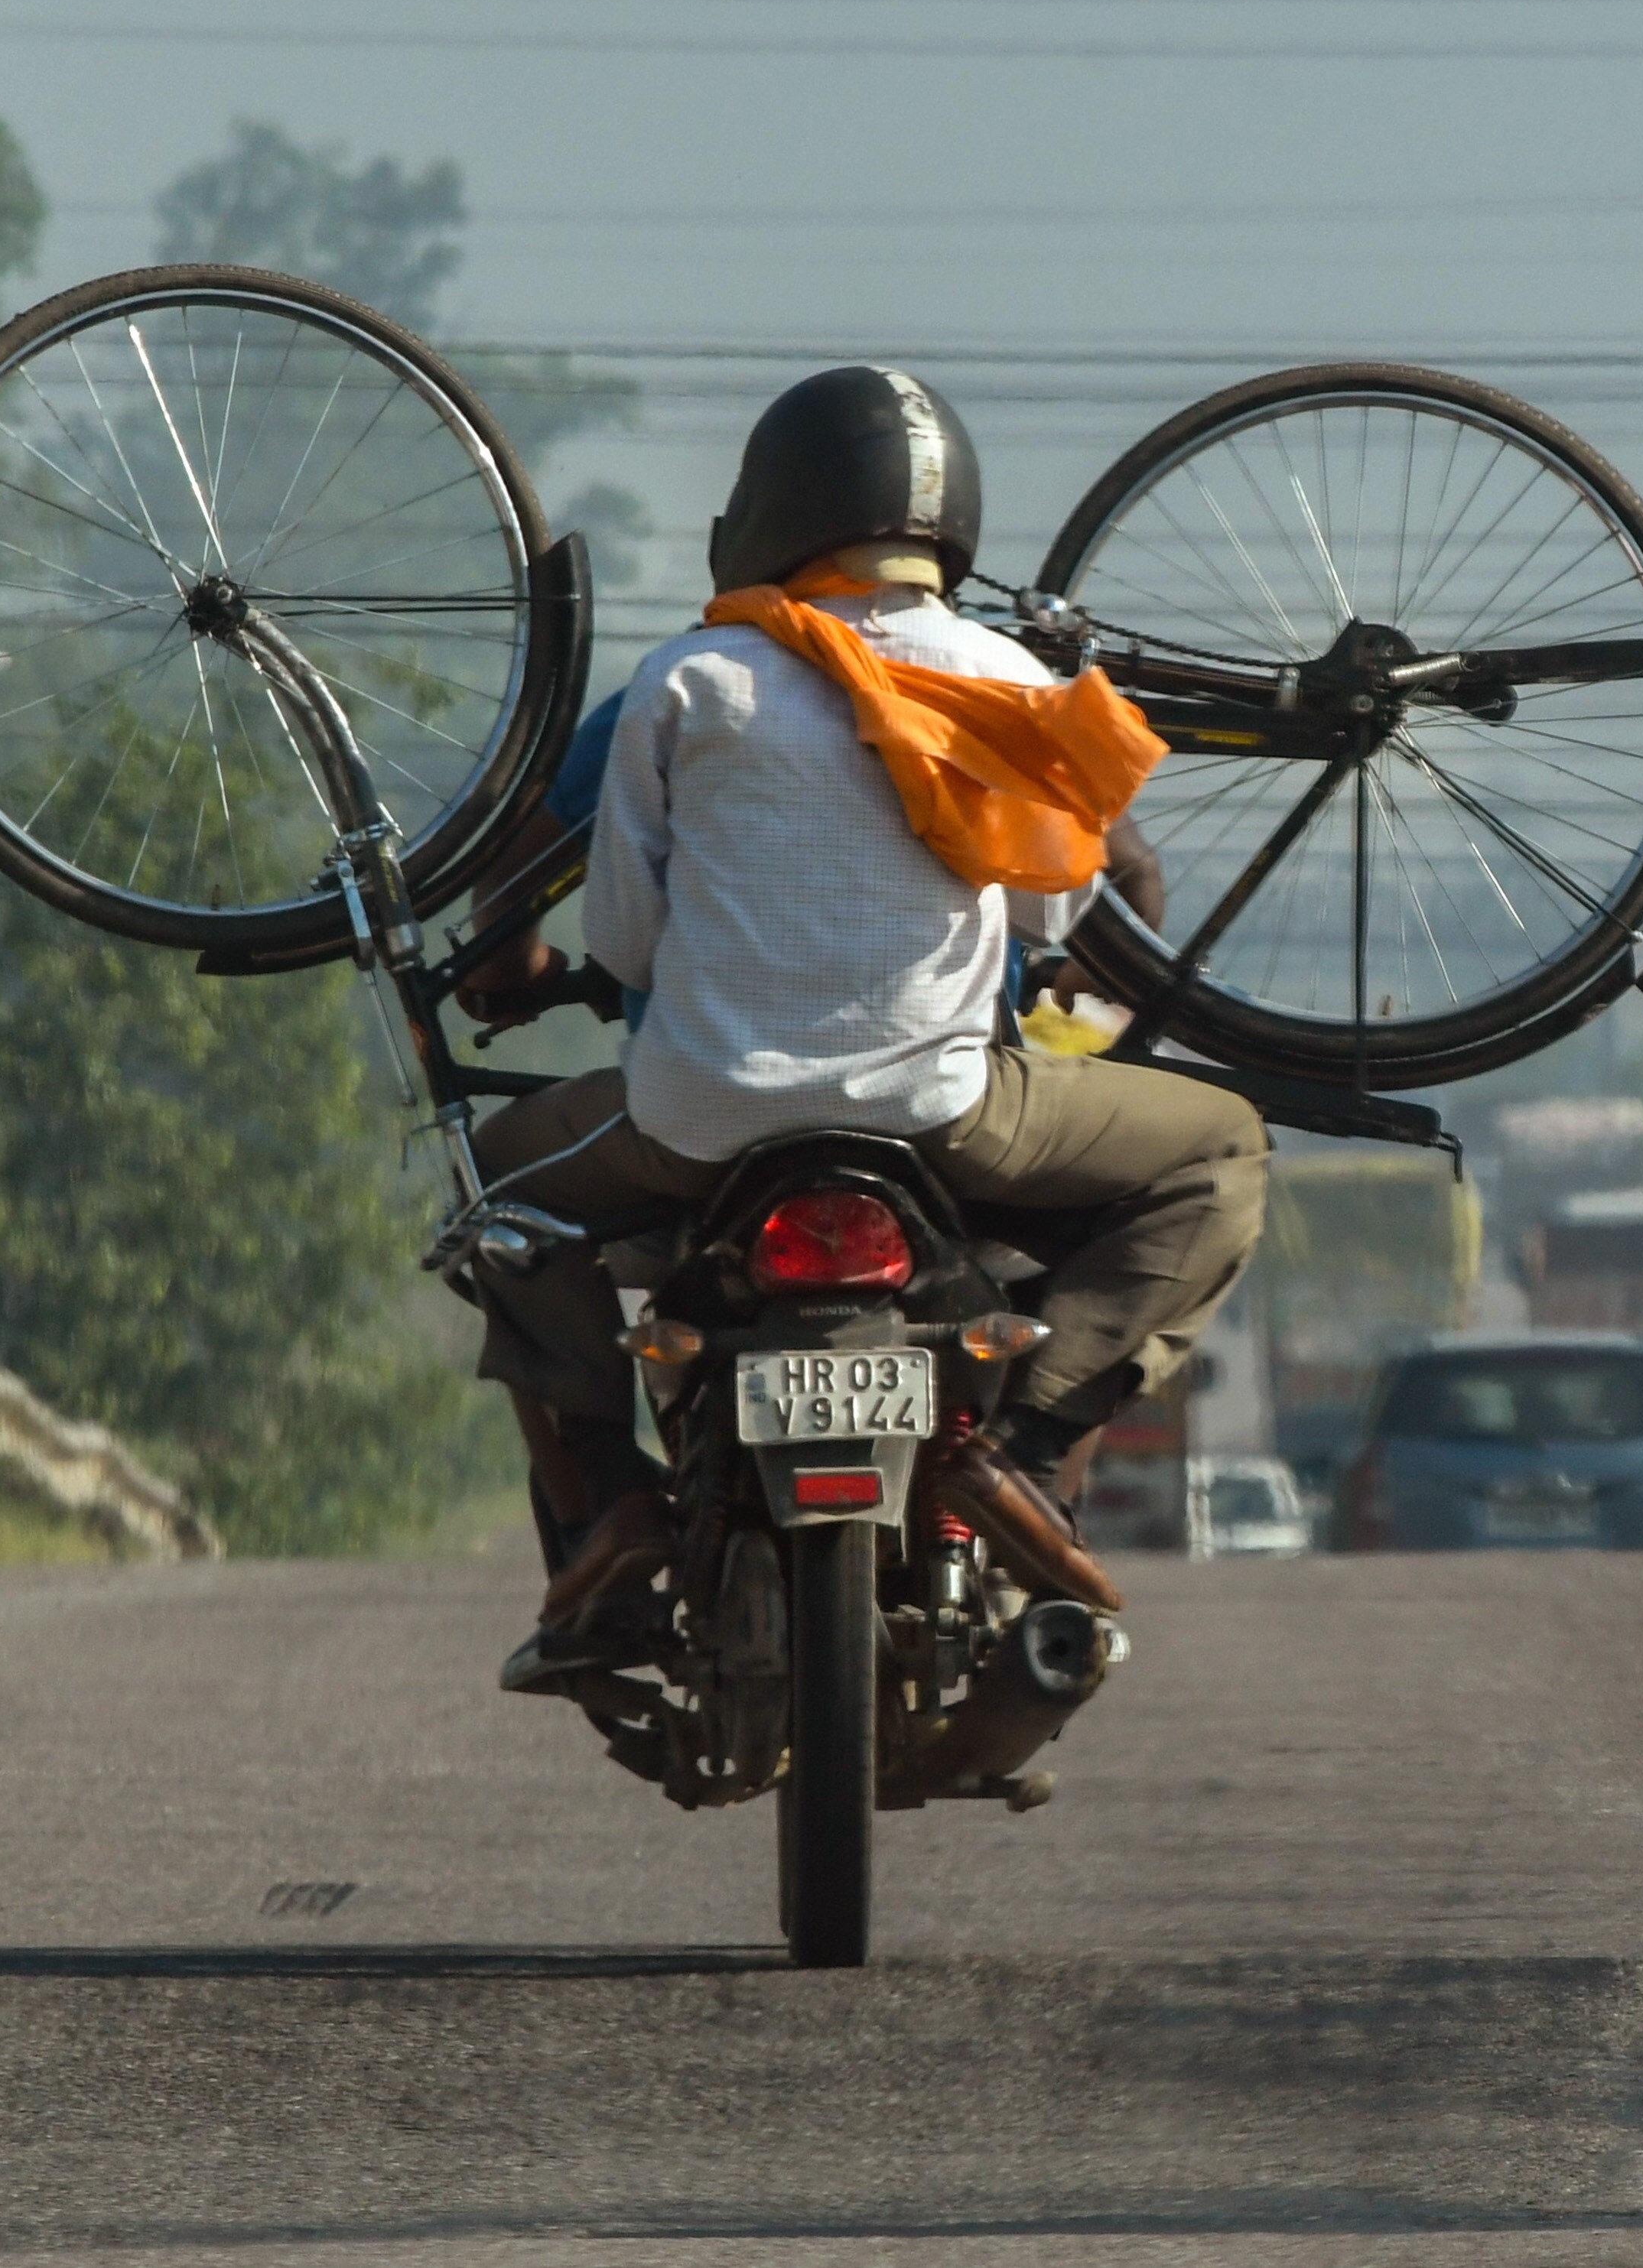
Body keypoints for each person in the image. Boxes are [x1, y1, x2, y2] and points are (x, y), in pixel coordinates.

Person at [460, 366, 1267, 1676]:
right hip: (947, 1119)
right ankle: (1024, 1459)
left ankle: (610, 1492)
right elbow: (1058, 926)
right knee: (1220, 1146)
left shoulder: (686, 681)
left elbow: (615, 940)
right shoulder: (1006, 682)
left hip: (697, 1125)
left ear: (769, 514)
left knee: (498, 1185)